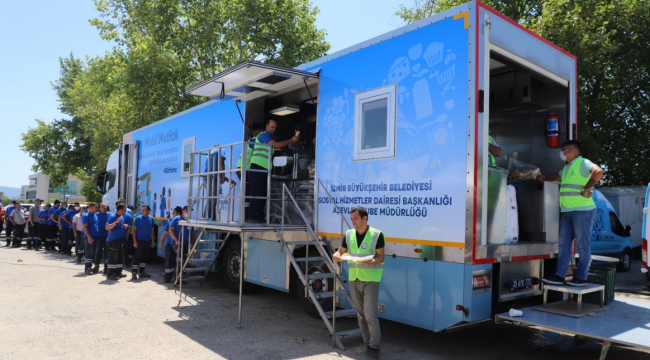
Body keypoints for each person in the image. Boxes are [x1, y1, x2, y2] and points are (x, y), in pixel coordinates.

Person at [538, 140, 604, 287]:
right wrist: (544, 179)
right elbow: (557, 176)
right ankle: (559, 276)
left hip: (583, 212)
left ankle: (581, 278)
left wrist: (587, 188)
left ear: (569, 151)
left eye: (562, 150)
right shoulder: (568, 167)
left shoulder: (582, 163)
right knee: (564, 245)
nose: (561, 153)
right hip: (568, 212)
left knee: (582, 245)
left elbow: (598, 171)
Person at [333, 206, 385, 359]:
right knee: (361, 316)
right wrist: (336, 255)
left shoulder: (377, 234)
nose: (353, 221)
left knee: (370, 315)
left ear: (365, 218)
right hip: (354, 279)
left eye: (355, 218)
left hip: (371, 279)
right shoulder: (349, 235)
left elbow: (381, 257)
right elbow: (340, 251)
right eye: (351, 219)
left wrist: (370, 261)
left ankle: (375, 346)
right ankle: (367, 343)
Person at [248, 119, 300, 222]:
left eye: (275, 127)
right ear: (267, 126)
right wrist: (292, 140)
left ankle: (259, 216)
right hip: (257, 168)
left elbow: (268, 157)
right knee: (256, 193)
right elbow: (277, 145)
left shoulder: (267, 138)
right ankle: (252, 216)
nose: (274, 129)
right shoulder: (263, 135)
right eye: (272, 127)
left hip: (264, 169)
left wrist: (269, 172)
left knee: (263, 194)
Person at [168, 206, 195, 285]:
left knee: (184, 261)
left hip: (186, 243)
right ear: (183, 211)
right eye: (186, 211)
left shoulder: (190, 221)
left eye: (189, 211)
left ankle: (181, 277)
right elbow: (170, 230)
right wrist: (176, 240)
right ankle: (176, 278)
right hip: (178, 243)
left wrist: (192, 244)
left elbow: (192, 233)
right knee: (180, 260)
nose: (187, 213)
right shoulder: (176, 219)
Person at [105, 203, 129, 280]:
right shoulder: (112, 216)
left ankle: (118, 272)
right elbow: (107, 227)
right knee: (112, 258)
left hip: (119, 240)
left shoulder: (121, 216)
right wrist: (116, 222)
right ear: (120, 210)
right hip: (113, 241)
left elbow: (119, 226)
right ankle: (110, 274)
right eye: (124, 209)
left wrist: (124, 225)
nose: (125, 211)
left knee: (119, 257)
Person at [131, 205, 155, 280]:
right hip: (139, 241)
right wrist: (134, 241)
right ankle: (134, 272)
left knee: (144, 257)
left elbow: (152, 230)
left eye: (144, 210)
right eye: (142, 210)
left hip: (147, 241)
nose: (142, 211)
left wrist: (153, 241)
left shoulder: (151, 219)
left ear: (148, 211)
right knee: (137, 256)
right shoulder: (138, 218)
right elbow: (134, 230)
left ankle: (142, 272)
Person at [161, 207, 180, 283]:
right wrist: (161, 241)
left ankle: (177, 278)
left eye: (174, 212)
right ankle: (168, 277)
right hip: (170, 244)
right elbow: (165, 233)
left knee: (179, 261)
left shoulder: (182, 222)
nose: (172, 214)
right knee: (168, 260)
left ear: (179, 213)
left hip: (179, 244)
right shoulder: (169, 221)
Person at [81, 203, 100, 275]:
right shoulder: (86, 216)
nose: (97, 208)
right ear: (91, 208)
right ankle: (87, 268)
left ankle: (91, 267)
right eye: (96, 207)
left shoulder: (95, 215)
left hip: (96, 236)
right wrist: (88, 236)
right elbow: (85, 227)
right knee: (89, 252)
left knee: (93, 252)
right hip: (89, 237)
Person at [93, 203, 110, 274]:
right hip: (98, 236)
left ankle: (106, 268)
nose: (104, 208)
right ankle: (96, 266)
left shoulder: (110, 215)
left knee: (107, 253)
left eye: (105, 206)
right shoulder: (96, 215)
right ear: (99, 208)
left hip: (107, 237)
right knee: (98, 252)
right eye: (103, 207)